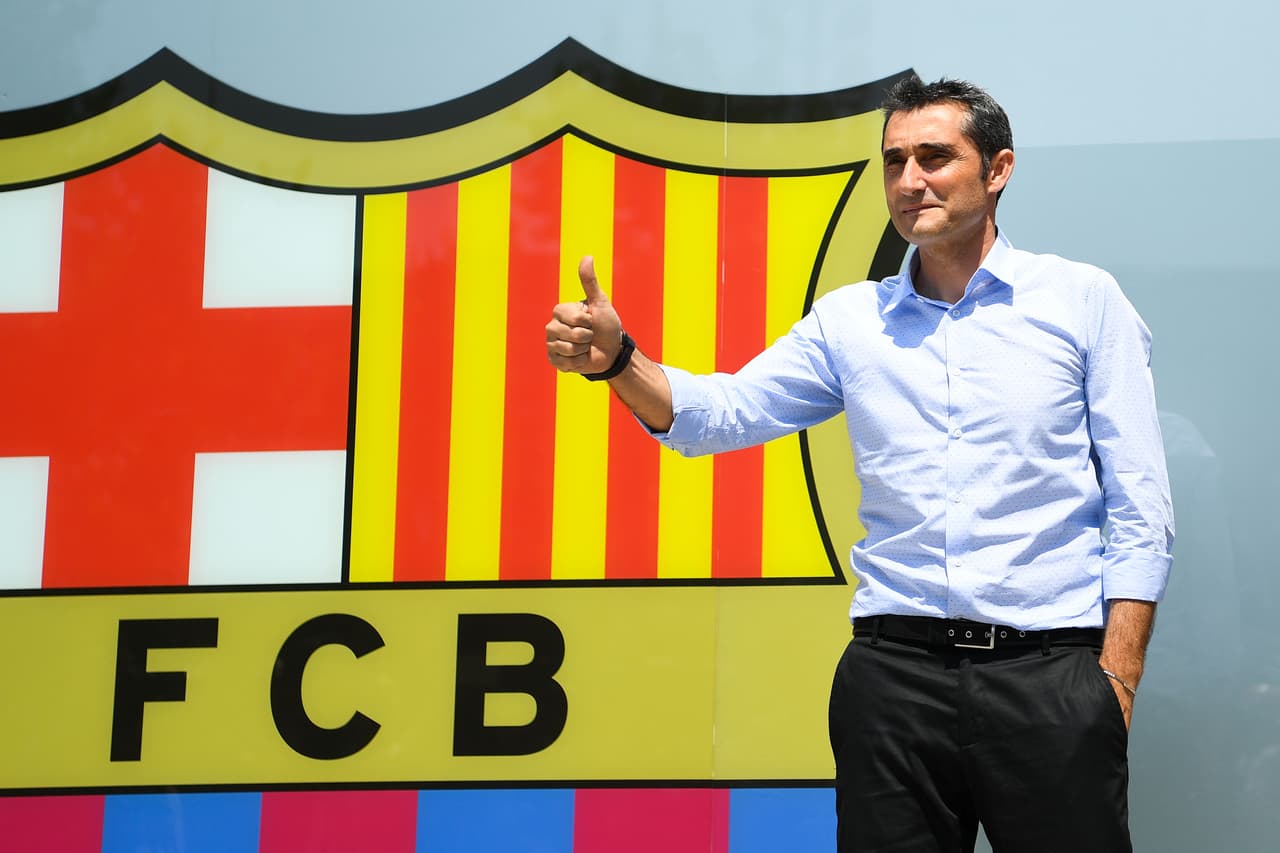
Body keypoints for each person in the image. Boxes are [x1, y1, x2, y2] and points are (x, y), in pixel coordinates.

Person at [544, 77, 1173, 853]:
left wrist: (1115, 682)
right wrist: (620, 362)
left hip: (1048, 678)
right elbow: (724, 412)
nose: (910, 181)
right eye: (895, 161)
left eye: (935, 157)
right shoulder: (851, 320)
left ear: (999, 168)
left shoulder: (1083, 301)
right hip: (892, 681)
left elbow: (1140, 505)